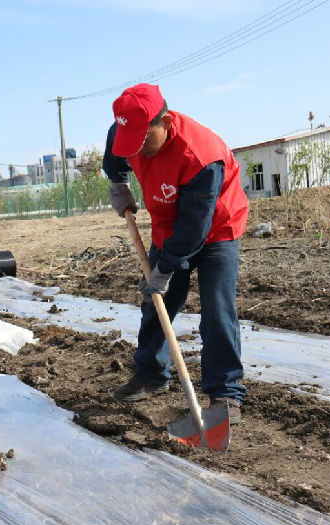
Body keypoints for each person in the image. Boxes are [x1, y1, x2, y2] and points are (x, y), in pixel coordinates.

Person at [102, 83, 249, 423]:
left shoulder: (201, 155)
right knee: (157, 301)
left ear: (165, 123)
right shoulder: (126, 130)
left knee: (217, 308)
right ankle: (151, 374)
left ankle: (225, 393)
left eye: (142, 142)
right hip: (168, 225)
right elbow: (114, 153)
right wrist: (118, 182)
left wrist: (165, 268)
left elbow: (195, 226)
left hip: (216, 228)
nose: (136, 149)